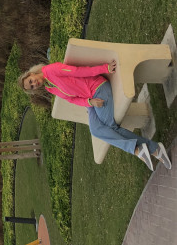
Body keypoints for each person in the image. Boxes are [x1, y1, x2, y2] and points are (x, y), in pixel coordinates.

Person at [18, 60, 172, 171]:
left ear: (32, 74)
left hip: (98, 88)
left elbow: (78, 71)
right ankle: (151, 149)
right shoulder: (49, 87)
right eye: (31, 87)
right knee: (96, 130)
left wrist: (104, 68)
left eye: (31, 81)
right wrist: (89, 102)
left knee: (109, 127)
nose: (34, 84)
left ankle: (144, 150)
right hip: (90, 101)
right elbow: (72, 99)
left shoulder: (51, 70)